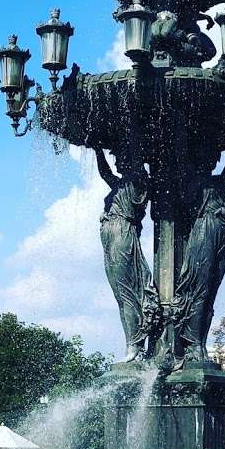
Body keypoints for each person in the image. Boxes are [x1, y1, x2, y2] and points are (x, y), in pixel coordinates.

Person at [173, 148, 225, 366]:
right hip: (204, 229)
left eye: (214, 157)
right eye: (208, 155)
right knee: (201, 286)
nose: (212, 159)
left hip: (220, 230)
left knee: (212, 287)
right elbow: (181, 160)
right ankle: (191, 342)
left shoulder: (217, 182)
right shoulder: (193, 181)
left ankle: (199, 341)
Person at [96, 149, 152, 362]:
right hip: (111, 238)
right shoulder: (122, 184)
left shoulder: (135, 183)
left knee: (127, 292)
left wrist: (134, 139)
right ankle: (133, 343)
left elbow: (133, 173)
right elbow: (105, 173)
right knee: (121, 295)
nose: (118, 161)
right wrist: (97, 150)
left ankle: (136, 344)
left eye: (123, 157)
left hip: (122, 237)